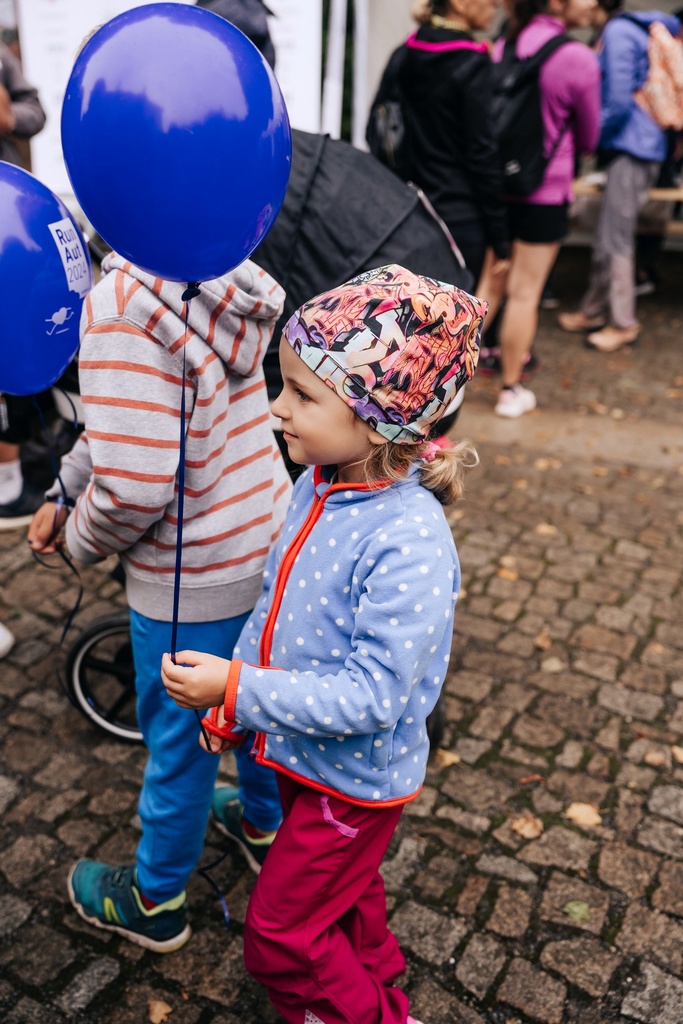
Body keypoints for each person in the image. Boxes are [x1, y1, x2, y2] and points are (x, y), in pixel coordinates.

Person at [161, 264, 486, 1024]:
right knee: (349, 891)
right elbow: (274, 603)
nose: (277, 407)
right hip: (304, 758)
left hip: (353, 782)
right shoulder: (319, 483)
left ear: (379, 419)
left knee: (280, 937)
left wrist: (236, 688)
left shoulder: (407, 541)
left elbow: (374, 697)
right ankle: (379, 975)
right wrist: (236, 703)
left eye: (303, 395)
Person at [27, 254, 292, 952]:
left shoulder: (120, 304)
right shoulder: (214, 263)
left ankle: (155, 898)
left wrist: (78, 537)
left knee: (180, 746)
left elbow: (134, 486)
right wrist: (66, 486)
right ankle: (264, 826)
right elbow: (129, 419)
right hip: (264, 537)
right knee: (257, 707)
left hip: (190, 579)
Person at [477, 0, 600, 416]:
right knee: (525, 293)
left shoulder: (503, 45)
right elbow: (590, 137)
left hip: (498, 187)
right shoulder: (577, 57)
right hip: (544, 191)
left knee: (489, 287)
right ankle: (510, 390)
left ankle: (445, 385)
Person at [558, 7, 682, 351]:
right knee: (609, 234)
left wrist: (590, 138)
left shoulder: (619, 32)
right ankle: (592, 310)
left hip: (633, 147)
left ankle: (623, 323)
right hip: (639, 144)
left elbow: (617, 99)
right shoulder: (637, 29)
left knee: (616, 238)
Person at [368, 0, 510, 284]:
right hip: (459, 218)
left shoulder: (404, 53)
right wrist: (500, 237)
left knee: (409, 308)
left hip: (406, 212)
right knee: (455, 309)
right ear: (459, 3)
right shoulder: (472, 63)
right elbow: (482, 153)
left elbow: (377, 130)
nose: (496, 4)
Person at [0, 39, 48, 527]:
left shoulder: (1, 56)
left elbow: (35, 111)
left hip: (8, 217)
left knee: (10, 336)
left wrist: (8, 117)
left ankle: (8, 482)